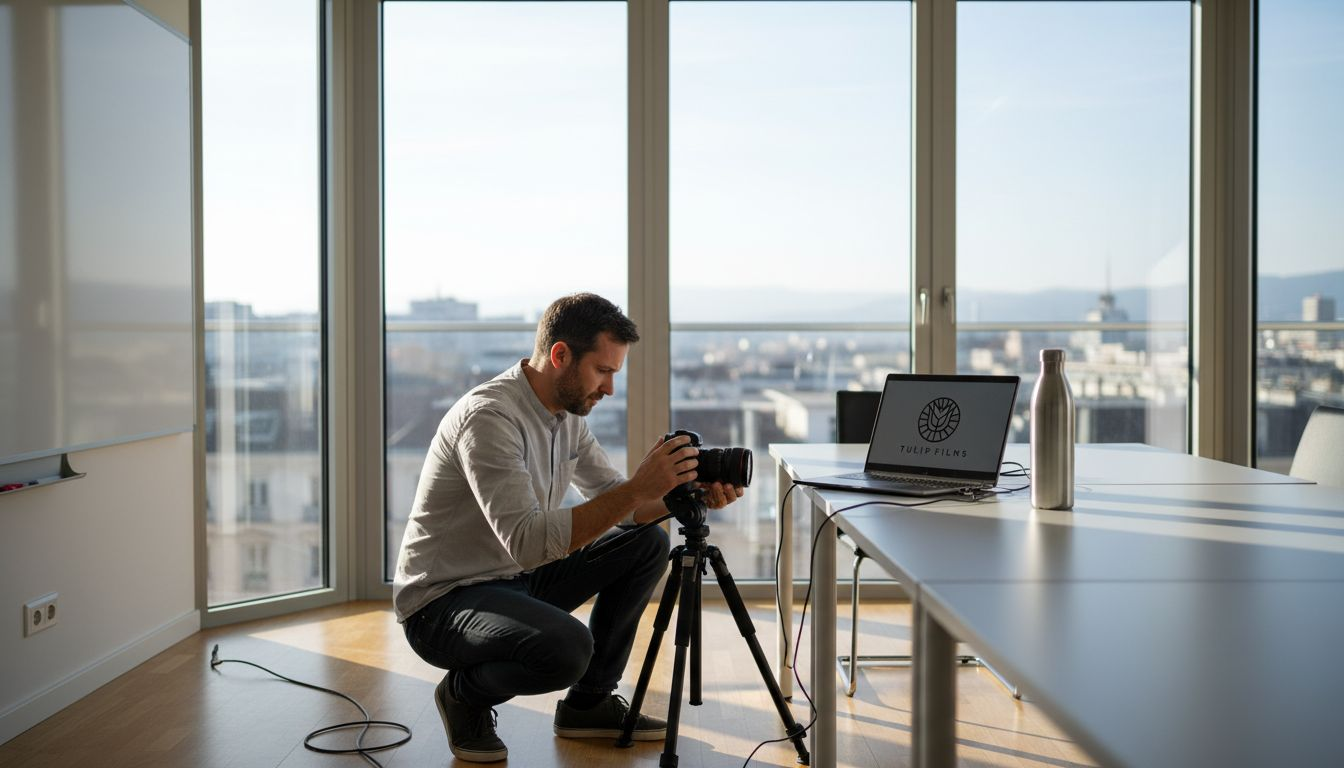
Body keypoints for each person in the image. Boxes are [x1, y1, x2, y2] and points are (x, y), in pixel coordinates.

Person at [393, 292, 744, 763]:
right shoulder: (490, 418)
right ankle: (464, 694)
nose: (610, 389)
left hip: (512, 582)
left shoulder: (565, 417)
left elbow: (621, 505)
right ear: (560, 355)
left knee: (646, 544)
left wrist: (687, 497)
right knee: (566, 648)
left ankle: (589, 704)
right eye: (603, 371)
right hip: (443, 603)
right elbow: (530, 543)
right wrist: (638, 487)